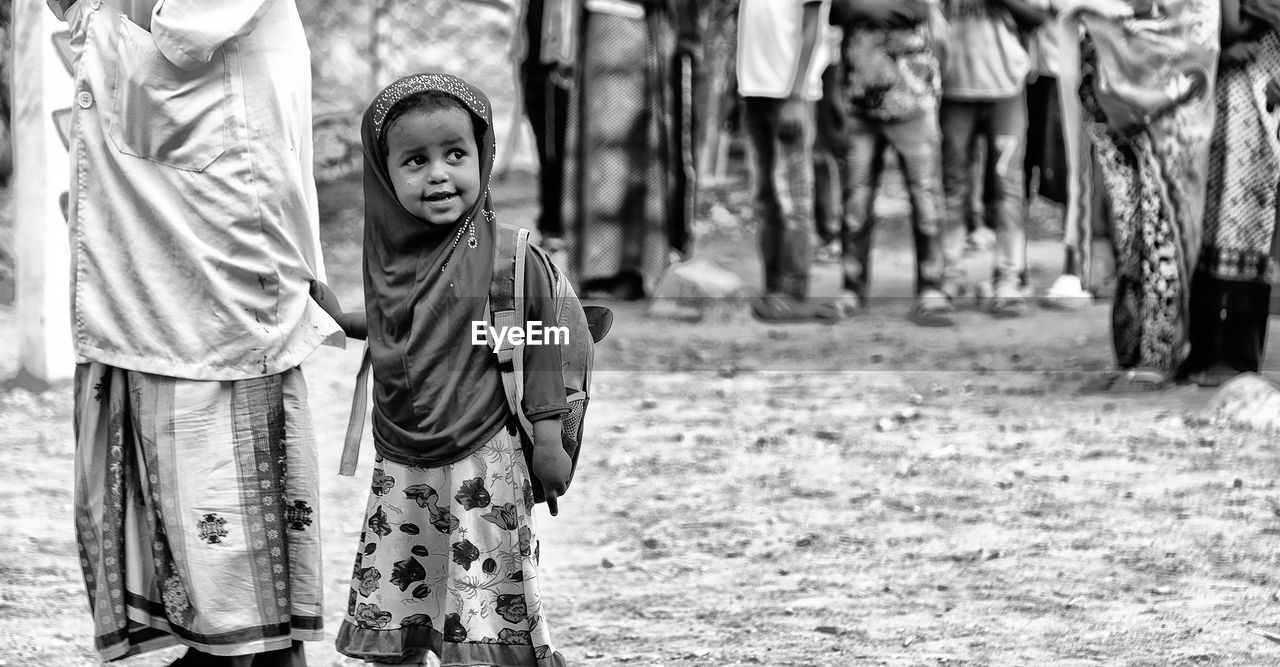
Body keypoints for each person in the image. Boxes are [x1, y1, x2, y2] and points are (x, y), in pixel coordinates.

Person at [54, 0, 340, 663]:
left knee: (218, 412)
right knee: (161, 414)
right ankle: (212, 642)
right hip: (147, 198)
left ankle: (257, 645)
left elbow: (187, 25)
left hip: (215, 205)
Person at [309, 73, 572, 667]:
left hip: (484, 460)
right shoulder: (393, 259)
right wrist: (340, 316)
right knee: (406, 594)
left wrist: (550, 439)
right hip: (404, 461)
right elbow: (401, 327)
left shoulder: (505, 258)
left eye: (456, 154)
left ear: (483, 156)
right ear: (383, 174)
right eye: (414, 161)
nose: (438, 174)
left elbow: (541, 347)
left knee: (486, 611)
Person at [1060, 0, 1219, 389]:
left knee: (1164, 228)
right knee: (1127, 229)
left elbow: (1193, 27)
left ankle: (1159, 354)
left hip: (1173, 100)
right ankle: (1130, 349)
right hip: (1106, 89)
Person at [560, 0, 700, 300]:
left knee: (623, 152)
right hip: (599, 28)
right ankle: (599, 269)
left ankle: (625, 268)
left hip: (627, 28)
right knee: (603, 153)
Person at [831, 0, 956, 326]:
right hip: (860, 102)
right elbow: (837, 11)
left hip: (913, 102)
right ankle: (851, 287)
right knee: (855, 201)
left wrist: (866, 8)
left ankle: (932, 288)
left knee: (926, 197)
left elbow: (917, 10)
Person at [1182, 0, 1280, 386]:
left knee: (1248, 226)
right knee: (1210, 222)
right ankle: (1208, 348)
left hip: (1260, 97)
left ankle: (1235, 353)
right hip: (1217, 92)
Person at [939, 0, 1054, 316]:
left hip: (1006, 90)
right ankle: (950, 276)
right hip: (953, 87)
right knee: (952, 187)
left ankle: (1008, 279)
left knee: (1007, 187)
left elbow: (1039, 17)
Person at [738, 0, 841, 321]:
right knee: (765, 197)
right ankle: (774, 289)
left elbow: (812, 29)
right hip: (754, 90)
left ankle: (794, 291)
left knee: (792, 198)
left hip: (789, 94)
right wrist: (736, 86)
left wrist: (796, 95)